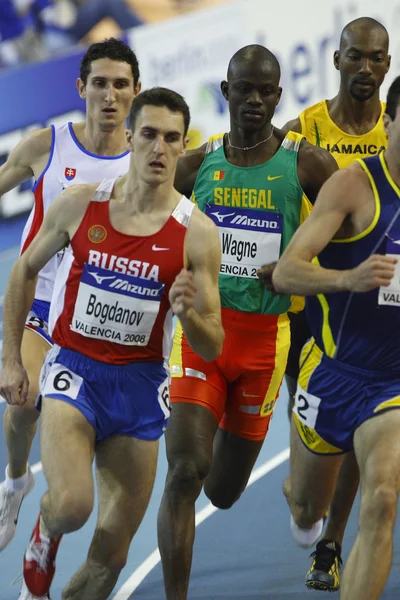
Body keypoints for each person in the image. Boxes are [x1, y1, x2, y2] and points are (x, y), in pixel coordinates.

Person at [0, 87, 224, 600]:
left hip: (141, 389)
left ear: (183, 145)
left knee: (111, 556)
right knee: (73, 506)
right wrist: (11, 357)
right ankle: (46, 529)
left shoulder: (197, 234)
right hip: (76, 372)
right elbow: (23, 271)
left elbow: (212, 346)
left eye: (172, 139)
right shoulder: (80, 205)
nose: (159, 149)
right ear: (130, 137)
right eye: (148, 135)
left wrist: (189, 314)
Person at [157, 44, 337, 600]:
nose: (255, 100)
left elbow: (346, 239)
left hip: (265, 344)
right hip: (203, 331)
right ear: (226, 92)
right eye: (245, 89)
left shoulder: (306, 163)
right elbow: (147, 213)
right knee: (185, 470)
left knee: (223, 491)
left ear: (279, 96)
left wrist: (295, 267)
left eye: (266, 91)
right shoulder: (199, 163)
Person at [0, 38, 140, 563]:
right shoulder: (48, 144)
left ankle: (62, 520)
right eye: (99, 83)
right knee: (21, 403)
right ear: (81, 88)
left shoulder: (144, 161)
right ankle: (15, 483)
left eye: (120, 84)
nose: (109, 95)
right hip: (40, 301)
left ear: (135, 91)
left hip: (103, 314)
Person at [271, 75, 400, 600]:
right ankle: (306, 508)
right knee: (307, 508)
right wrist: (347, 279)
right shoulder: (354, 185)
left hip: (391, 385)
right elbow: (285, 273)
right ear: (388, 123)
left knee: (383, 498)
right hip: (330, 373)